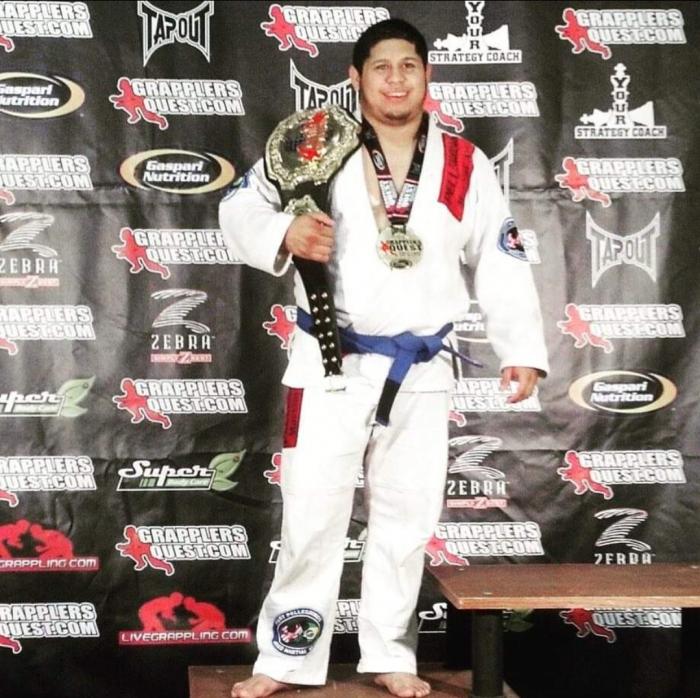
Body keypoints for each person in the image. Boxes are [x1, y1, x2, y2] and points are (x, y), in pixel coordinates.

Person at [219, 18, 548, 698]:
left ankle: (389, 653)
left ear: (427, 75)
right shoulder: (318, 142)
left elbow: (500, 254)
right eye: (381, 67)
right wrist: (285, 229)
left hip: (421, 368)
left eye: (408, 66)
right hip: (329, 360)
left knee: (406, 520)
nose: (396, 79)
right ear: (355, 77)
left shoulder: (462, 162)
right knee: (311, 516)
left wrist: (521, 349)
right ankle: (285, 658)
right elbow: (239, 205)